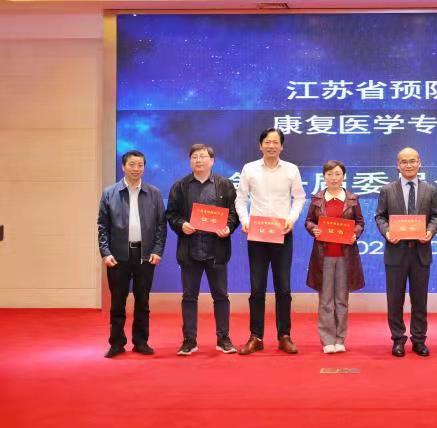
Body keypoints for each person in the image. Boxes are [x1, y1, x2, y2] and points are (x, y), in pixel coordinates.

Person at [235, 128, 307, 355]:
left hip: (282, 233)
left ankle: (284, 335)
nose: (271, 146)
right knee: (257, 288)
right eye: (267, 142)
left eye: (275, 142)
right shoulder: (249, 168)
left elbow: (300, 197)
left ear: (282, 146)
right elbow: (240, 199)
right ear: (260, 145)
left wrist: (291, 219)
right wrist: (245, 220)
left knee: (283, 288)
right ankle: (255, 336)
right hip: (257, 234)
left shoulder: (291, 169)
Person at [165, 144, 239, 356]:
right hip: (190, 250)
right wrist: (181, 225)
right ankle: (189, 340)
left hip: (217, 251)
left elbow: (234, 213)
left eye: (203, 156)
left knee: (221, 296)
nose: (199, 160)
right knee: (189, 297)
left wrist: (228, 228)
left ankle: (223, 339)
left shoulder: (224, 185)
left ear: (212, 161)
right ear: (190, 161)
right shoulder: (180, 186)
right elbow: (171, 214)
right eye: (195, 157)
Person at [97, 150, 166, 358]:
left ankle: (141, 341)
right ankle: (116, 343)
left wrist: (157, 250)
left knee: (142, 301)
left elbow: (161, 226)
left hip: (145, 255)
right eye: (132, 165)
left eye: (140, 165)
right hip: (118, 256)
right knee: (117, 302)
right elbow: (102, 226)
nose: (136, 169)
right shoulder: (110, 193)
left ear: (144, 167)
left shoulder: (154, 193)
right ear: (123, 166)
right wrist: (105, 252)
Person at [375, 147, 437, 357]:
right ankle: (398, 339)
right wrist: (387, 233)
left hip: (421, 253)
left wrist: (430, 231)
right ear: (398, 165)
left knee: (420, 300)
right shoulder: (387, 190)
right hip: (396, 252)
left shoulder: (430, 190)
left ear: (419, 163)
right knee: (395, 300)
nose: (409, 165)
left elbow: (436, 216)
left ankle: (419, 340)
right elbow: (380, 217)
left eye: (412, 161)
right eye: (404, 162)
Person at [304, 160, 366, 354]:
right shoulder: (317, 199)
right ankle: (327, 340)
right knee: (325, 301)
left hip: (345, 257)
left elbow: (360, 222)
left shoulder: (352, 199)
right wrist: (313, 229)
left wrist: (355, 233)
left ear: (343, 176)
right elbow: (309, 221)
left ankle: (340, 339)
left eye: (337, 174)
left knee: (341, 300)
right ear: (324, 177)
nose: (333, 178)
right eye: (329, 174)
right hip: (323, 256)